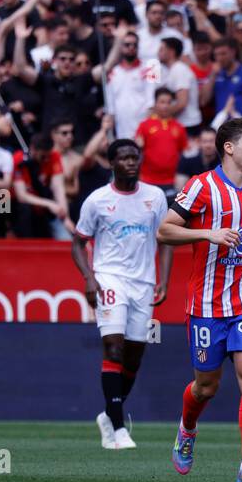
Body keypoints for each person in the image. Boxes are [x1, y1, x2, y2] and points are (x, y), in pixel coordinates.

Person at [156, 117, 242, 482]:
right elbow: (164, 230)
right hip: (207, 306)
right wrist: (206, 232)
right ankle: (187, 429)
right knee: (206, 388)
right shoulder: (201, 187)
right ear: (229, 147)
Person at [73, 138, 174, 449]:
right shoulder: (97, 200)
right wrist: (90, 279)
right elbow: (78, 242)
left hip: (143, 283)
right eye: (125, 158)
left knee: (134, 356)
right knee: (113, 348)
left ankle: (109, 413)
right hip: (109, 279)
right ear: (111, 163)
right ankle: (118, 428)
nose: (132, 162)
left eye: (135, 157)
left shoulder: (155, 197)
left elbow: (166, 239)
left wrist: (164, 280)